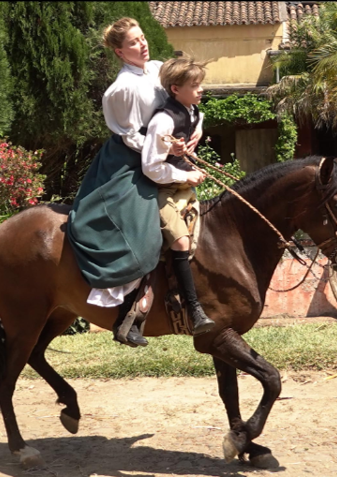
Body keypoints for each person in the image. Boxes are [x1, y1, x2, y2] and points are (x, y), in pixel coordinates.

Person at [67, 18, 203, 347]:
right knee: (140, 231)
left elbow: (187, 98)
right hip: (131, 161)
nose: (143, 44)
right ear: (119, 51)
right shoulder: (121, 89)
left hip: (166, 154)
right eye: (133, 43)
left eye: (142, 38)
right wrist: (165, 146)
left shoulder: (158, 68)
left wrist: (195, 130)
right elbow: (130, 136)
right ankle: (129, 315)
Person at [141, 57, 215, 336]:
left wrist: (194, 146)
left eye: (200, 84)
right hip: (162, 190)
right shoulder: (162, 121)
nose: (200, 90)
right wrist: (186, 176)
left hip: (184, 185)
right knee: (182, 242)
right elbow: (151, 168)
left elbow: (195, 125)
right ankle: (193, 308)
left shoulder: (193, 111)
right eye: (194, 85)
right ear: (175, 88)